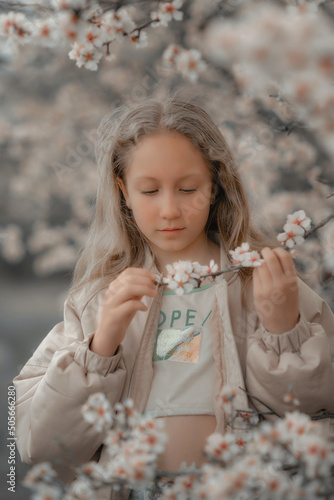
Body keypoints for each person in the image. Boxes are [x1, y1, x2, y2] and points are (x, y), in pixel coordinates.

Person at [13, 91, 334, 500]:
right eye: (149, 191)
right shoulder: (97, 301)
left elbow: (315, 412)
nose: (169, 210)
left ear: (216, 185)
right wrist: (100, 347)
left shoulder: (268, 283)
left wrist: (283, 329)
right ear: (123, 191)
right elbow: (39, 444)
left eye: (187, 189)